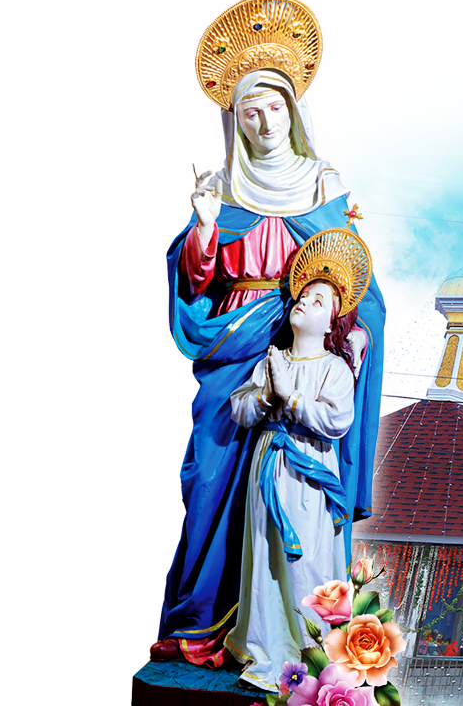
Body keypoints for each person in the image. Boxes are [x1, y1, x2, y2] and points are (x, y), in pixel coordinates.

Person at [156, 66, 387, 666]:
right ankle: (200, 624)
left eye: (274, 109)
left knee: (300, 488)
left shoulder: (322, 183)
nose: (263, 124)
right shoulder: (223, 185)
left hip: (304, 340)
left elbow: (350, 273)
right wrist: (205, 228)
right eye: (249, 113)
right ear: (235, 120)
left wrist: (351, 329)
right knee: (210, 478)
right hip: (233, 340)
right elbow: (194, 281)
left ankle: (299, 633)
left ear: (293, 111)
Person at [225, 241, 365, 691]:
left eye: (319, 299)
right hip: (268, 468)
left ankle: (313, 652)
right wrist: (268, 394)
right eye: (304, 295)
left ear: (331, 323)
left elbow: (336, 420)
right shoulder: (273, 360)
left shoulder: (335, 369)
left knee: (308, 561)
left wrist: (293, 397)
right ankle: (268, 648)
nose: (306, 301)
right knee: (265, 558)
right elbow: (239, 409)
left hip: (309, 475)